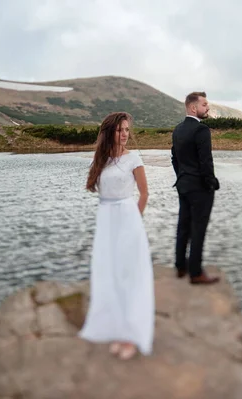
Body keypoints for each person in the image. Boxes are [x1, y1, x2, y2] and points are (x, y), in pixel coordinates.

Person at [78, 112, 155, 360]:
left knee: (128, 277)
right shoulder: (102, 159)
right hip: (105, 219)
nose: (124, 134)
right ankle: (116, 329)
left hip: (127, 217)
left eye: (127, 130)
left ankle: (131, 334)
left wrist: (134, 222)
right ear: (109, 132)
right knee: (108, 276)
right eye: (119, 130)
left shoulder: (134, 158)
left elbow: (144, 194)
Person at [170, 91, 220, 285]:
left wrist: (182, 176)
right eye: (204, 104)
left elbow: (175, 159)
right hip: (199, 188)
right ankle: (196, 273)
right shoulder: (202, 130)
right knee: (198, 229)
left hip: (183, 185)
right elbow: (206, 161)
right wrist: (211, 182)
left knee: (183, 226)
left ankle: (180, 265)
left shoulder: (177, 130)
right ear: (193, 108)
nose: (207, 107)